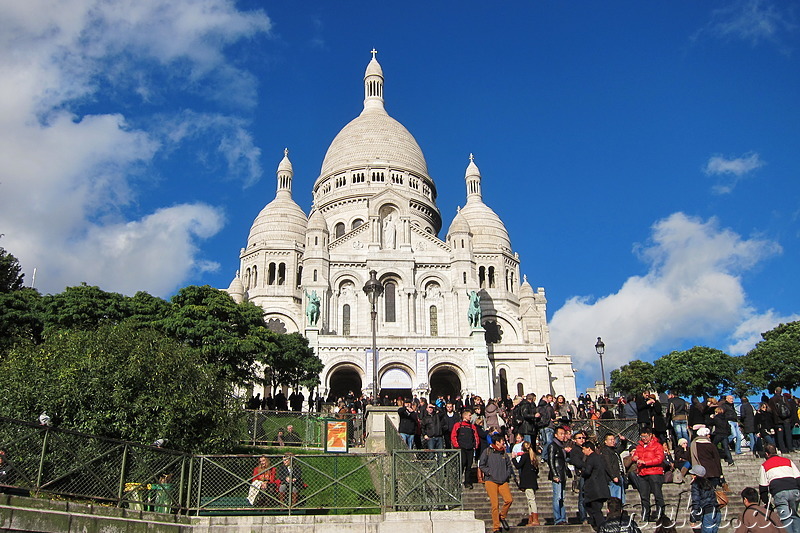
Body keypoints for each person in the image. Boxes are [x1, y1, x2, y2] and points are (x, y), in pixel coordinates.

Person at [758, 443, 800, 533]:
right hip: (794, 490)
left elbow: (763, 487)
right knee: (794, 515)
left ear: (766, 454)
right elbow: (798, 478)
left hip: (779, 491)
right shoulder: (788, 461)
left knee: (785, 518)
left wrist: (766, 502)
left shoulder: (764, 465)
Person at [479, 436, 515, 533]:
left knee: (509, 500)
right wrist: (489, 472)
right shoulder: (488, 451)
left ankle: (502, 516)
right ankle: (496, 527)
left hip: (503, 480)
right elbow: (481, 464)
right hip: (491, 480)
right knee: (495, 504)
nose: (503, 443)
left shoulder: (503, 453)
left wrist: (507, 474)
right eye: (502, 441)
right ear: (497, 442)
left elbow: (509, 465)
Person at [631, 427, 665, 523]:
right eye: (642, 436)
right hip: (642, 473)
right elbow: (635, 456)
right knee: (644, 496)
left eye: (645, 436)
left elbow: (659, 459)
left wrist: (646, 462)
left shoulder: (657, 446)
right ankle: (645, 515)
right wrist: (635, 458)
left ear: (650, 435)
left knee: (657, 495)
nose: (643, 438)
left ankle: (661, 515)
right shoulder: (639, 446)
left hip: (654, 473)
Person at [582, 440, 611, 531]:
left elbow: (587, 472)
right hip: (602, 488)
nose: (583, 451)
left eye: (584, 449)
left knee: (595, 510)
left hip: (595, 490)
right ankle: (597, 525)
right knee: (591, 507)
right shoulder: (599, 457)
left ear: (589, 449)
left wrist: (581, 471)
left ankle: (602, 528)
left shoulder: (591, 458)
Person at [547, 425, 572, 526]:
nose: (563, 436)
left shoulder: (561, 446)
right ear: (556, 435)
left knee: (561, 497)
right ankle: (558, 518)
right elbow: (551, 461)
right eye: (561, 434)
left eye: (564, 434)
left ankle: (563, 517)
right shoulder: (553, 446)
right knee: (557, 497)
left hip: (562, 473)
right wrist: (554, 474)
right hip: (557, 473)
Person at [514, 440, 540, 526]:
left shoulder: (525, 456)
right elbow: (537, 470)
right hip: (533, 480)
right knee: (530, 500)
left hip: (527, 481)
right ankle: (531, 519)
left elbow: (518, 466)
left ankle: (535, 520)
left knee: (531, 500)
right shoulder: (533, 456)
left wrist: (514, 459)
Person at [452, 408, 480, 489]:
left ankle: (467, 482)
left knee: (469, 466)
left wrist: (475, 445)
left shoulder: (472, 426)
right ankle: (457, 482)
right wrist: (457, 446)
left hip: (470, 448)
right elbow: (453, 436)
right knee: (462, 464)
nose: (470, 417)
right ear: (464, 416)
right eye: (469, 415)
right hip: (461, 448)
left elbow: (476, 437)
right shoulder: (458, 425)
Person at [688, 464, 721, 533]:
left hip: (707, 513)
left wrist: (693, 518)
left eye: (692, 474)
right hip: (717, 512)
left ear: (695, 475)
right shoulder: (709, 483)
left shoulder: (696, 484)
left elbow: (696, 501)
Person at [598, 433, 627, 503]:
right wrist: (613, 476)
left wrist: (623, 441)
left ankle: (619, 510)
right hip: (613, 478)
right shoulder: (605, 451)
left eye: (613, 439)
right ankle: (614, 512)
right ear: (605, 441)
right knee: (615, 498)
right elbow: (607, 465)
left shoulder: (614, 450)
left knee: (621, 498)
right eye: (610, 440)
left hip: (620, 475)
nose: (613, 441)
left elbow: (622, 448)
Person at [769, 387, 794, 453]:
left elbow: (771, 411)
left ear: (775, 391)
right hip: (786, 419)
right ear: (781, 392)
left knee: (780, 435)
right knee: (788, 434)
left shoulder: (772, 399)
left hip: (777, 420)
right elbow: (790, 408)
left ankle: (783, 449)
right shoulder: (784, 398)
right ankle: (790, 448)